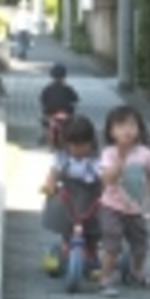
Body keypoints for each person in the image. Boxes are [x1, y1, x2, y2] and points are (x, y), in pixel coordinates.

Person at [98, 105, 150, 297]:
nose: (127, 130)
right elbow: (107, 179)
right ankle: (106, 276)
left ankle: (136, 271)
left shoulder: (146, 154)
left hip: (135, 208)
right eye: (120, 126)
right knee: (112, 243)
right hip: (111, 207)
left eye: (132, 125)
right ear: (111, 131)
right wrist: (121, 159)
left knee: (141, 244)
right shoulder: (109, 153)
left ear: (139, 129)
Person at [41, 116, 103, 272]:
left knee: (93, 226)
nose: (78, 150)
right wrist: (50, 185)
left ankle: (92, 253)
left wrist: (109, 189)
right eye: (74, 145)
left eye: (83, 145)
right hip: (70, 194)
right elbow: (54, 171)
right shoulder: (63, 157)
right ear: (67, 144)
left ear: (91, 142)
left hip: (90, 195)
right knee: (66, 222)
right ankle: (65, 247)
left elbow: (103, 176)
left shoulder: (94, 159)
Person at [39, 63, 79, 144]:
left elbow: (42, 99)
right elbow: (75, 99)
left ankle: (45, 135)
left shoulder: (47, 89)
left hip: (50, 112)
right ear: (64, 77)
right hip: (65, 112)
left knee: (45, 121)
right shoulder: (67, 89)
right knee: (72, 121)